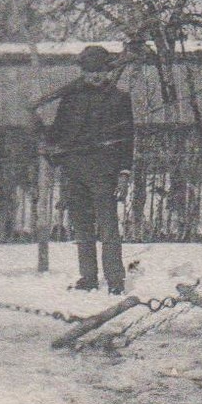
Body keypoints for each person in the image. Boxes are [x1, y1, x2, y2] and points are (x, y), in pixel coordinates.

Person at [43, 45, 135, 294]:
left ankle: (115, 280)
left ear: (108, 71)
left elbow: (127, 139)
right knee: (82, 228)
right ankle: (89, 277)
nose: (96, 75)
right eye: (90, 70)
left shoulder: (119, 99)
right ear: (83, 72)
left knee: (108, 229)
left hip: (104, 171)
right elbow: (57, 134)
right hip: (74, 171)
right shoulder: (70, 99)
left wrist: (124, 173)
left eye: (101, 70)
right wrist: (41, 131)